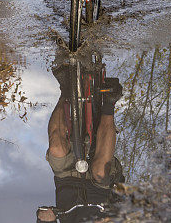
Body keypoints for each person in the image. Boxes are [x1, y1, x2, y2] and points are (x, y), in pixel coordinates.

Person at [36, 62, 125, 223]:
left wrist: (44, 218)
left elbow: (43, 219)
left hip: (67, 178)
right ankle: (110, 102)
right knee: (100, 171)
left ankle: (65, 90)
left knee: (56, 147)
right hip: (100, 189)